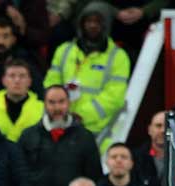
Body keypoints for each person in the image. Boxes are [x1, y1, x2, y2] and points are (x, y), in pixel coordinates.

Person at [43, 1, 130, 152]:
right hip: (61, 124)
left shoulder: (118, 56)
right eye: (89, 21)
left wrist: (81, 115)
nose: (93, 25)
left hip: (97, 132)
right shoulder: (64, 50)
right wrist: (62, 110)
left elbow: (115, 96)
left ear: (106, 25)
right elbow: (51, 83)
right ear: (81, 23)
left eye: (98, 21)